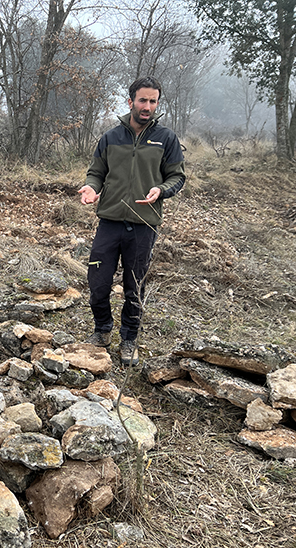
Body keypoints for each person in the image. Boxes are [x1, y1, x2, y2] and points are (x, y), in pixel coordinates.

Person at [78, 76, 185, 366]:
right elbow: (96, 172)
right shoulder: (111, 137)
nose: (147, 106)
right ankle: (102, 331)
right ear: (131, 101)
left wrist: (161, 190)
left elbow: (178, 177)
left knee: (134, 285)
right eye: (142, 100)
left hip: (144, 224)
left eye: (153, 101)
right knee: (98, 282)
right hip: (110, 221)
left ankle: (129, 339)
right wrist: (91, 186)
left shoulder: (166, 139)